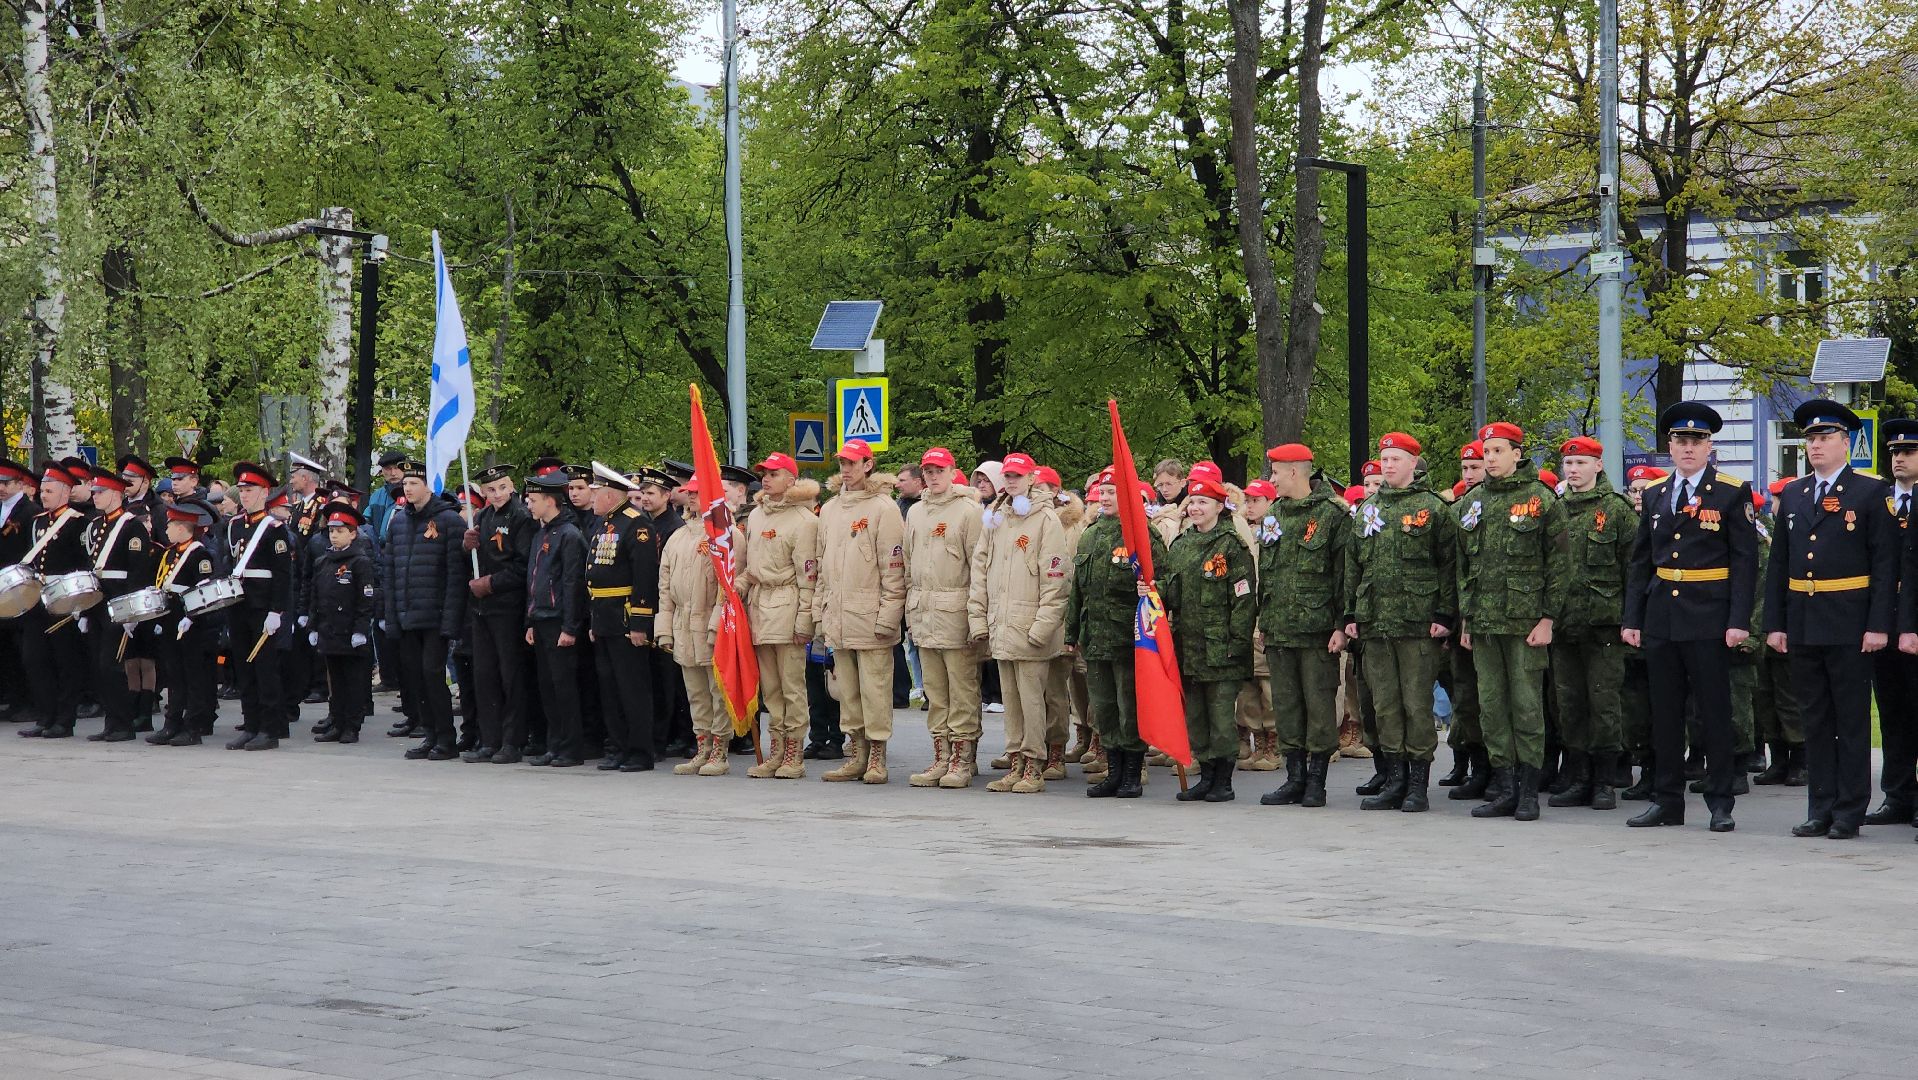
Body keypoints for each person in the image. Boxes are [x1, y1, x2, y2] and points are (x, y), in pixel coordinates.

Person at [1623, 402, 1758, 833]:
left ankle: (1720, 802)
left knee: (1713, 713)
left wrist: (1739, 620)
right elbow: (1641, 560)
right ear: (1669, 445)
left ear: (1709, 446)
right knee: (1664, 714)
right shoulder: (1658, 492)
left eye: (1696, 441)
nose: (1687, 448)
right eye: (1680, 440)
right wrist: (1633, 618)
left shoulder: (1730, 492)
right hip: (1663, 614)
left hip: (1709, 614)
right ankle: (1666, 801)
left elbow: (1745, 562)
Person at [1768, 400, 1898, 840]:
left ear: (1846, 442)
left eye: (1825, 438)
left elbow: (1885, 565)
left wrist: (1878, 624)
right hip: (1803, 620)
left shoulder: (1869, 491)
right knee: (1815, 718)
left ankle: (1849, 809)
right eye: (1810, 439)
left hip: (1849, 621)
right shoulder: (1794, 492)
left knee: (1851, 718)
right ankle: (1819, 806)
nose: (1816, 445)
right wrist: (1775, 623)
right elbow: (1779, 565)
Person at [1457, 423, 1568, 821]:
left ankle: (1527, 791)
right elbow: (1464, 565)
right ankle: (1503, 786)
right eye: (1486, 452)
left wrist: (1548, 618)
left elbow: (1559, 565)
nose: (1490, 458)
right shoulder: (1474, 501)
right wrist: (1467, 619)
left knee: (1525, 708)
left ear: (1517, 454)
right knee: (1491, 707)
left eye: (1498, 451)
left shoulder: (1540, 499)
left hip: (1524, 624)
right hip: (1485, 623)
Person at [1343, 434, 1459, 813]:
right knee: (1385, 705)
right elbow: (1353, 567)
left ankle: (1417, 785)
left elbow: (1449, 566)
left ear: (1413, 463)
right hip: (1376, 623)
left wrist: (1444, 616)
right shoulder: (1367, 510)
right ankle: (1394, 779)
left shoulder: (1434, 509)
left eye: (1396, 459)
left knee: (1415, 704)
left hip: (1418, 625)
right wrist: (1350, 615)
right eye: (1384, 459)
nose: (1388, 465)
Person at [1255, 444, 1350, 808]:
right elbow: (1269, 573)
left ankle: (1316, 780)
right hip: (1280, 630)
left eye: (1276, 472)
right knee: (1287, 705)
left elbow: (1344, 577)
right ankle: (1294, 777)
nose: (1272, 479)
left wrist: (1342, 625)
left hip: (1317, 631)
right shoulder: (1274, 515)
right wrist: (1265, 621)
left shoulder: (1333, 515)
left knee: (1318, 704)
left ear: (1295, 472)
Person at [969, 452, 1068, 794]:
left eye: (1017, 476)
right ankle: (1015, 761)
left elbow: (1056, 578)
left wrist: (1042, 627)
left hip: (1030, 627)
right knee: (1011, 700)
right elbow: (980, 570)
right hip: (1001, 624)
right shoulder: (996, 516)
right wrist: (979, 618)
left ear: (1031, 479)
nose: (1011, 481)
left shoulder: (1046, 520)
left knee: (1031, 700)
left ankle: (1034, 765)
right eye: (1007, 476)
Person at [1546, 436, 1636, 811]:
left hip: (1604, 624)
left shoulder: (1617, 510)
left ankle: (1604, 780)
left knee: (1603, 702)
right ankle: (1578, 776)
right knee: (1568, 703)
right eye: (1568, 464)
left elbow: (1634, 569)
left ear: (1598, 466)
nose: (1573, 470)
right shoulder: (1555, 509)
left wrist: (1632, 619)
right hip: (1564, 623)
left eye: (1581, 463)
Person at [813, 440, 907, 784]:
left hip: (870, 615)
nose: (846, 469)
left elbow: (894, 568)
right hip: (838, 615)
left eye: (853, 463)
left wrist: (888, 616)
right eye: (842, 463)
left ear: (868, 464)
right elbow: (822, 567)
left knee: (875, 688)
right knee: (847, 691)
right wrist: (819, 614)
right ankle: (856, 752)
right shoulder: (831, 509)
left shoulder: (884, 507)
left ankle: (878, 756)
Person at [1161, 474, 1256, 802]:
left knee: (1219, 716)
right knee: (1196, 716)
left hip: (1222, 648)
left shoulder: (1231, 545)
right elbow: (1171, 593)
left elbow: (1243, 598)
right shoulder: (1182, 544)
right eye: (1193, 502)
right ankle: (1206, 773)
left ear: (1219, 506)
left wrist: (1237, 644)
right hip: (1189, 646)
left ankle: (1223, 781)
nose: (1196, 508)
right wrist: (1152, 591)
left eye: (1204, 502)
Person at [1074, 473, 1166, 799]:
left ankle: (1131, 773)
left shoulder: (1142, 536)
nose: (1106, 498)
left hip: (1129, 638)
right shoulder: (1090, 536)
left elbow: (1165, 582)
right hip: (1096, 637)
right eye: (1103, 492)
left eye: (1113, 492)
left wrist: (1152, 588)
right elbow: (1077, 592)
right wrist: (1072, 633)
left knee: (1130, 709)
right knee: (1104, 708)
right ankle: (1113, 771)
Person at [739, 453, 821, 780]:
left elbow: (809, 577)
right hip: (760, 606)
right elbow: (752, 567)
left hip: (788, 605)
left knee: (792, 686)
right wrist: (738, 586)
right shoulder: (757, 516)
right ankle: (776, 750)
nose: (766, 479)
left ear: (791, 478)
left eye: (773, 473)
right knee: (770, 687)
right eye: (764, 474)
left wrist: (804, 623)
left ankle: (794, 753)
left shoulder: (804, 521)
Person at [382, 459, 470, 761]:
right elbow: (390, 572)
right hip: (407, 615)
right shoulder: (400, 522)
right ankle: (429, 733)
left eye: (413, 483)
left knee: (433, 674)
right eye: (405, 483)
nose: (407, 488)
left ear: (429, 486)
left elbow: (456, 576)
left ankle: (446, 737)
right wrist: (391, 616)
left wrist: (451, 620)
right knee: (416, 677)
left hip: (435, 614)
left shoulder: (449, 522)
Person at [659, 477, 747, 776]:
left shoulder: (727, 535)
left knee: (717, 689)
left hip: (712, 622)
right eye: (689, 493)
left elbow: (731, 586)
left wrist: (716, 625)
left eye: (697, 492)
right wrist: (664, 627)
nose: (691, 497)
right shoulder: (678, 537)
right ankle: (703, 747)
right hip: (683, 623)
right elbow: (665, 587)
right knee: (695, 691)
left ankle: (720, 751)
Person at [584, 463, 663, 772]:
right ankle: (618, 747)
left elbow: (645, 578)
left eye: (595, 493)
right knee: (610, 687)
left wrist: (640, 623)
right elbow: (595, 577)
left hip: (626, 618)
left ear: (609, 494)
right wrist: (594, 620)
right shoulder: (604, 524)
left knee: (632, 688)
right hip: (604, 617)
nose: (591, 499)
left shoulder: (636, 525)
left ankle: (640, 751)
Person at [461, 463, 536, 763]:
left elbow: (523, 567)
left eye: (502, 487)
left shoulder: (522, 517)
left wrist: (490, 583)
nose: (498, 494)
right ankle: (489, 739)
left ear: (512, 486)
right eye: (491, 490)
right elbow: (476, 561)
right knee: (485, 674)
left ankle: (512, 741)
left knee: (511, 675)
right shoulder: (483, 516)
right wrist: (467, 549)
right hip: (482, 609)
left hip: (508, 606)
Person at [218, 463, 295, 750]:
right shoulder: (235, 525)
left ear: (264, 492)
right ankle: (250, 724)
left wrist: (277, 611)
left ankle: (270, 729)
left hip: (263, 607)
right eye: (242, 490)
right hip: (239, 604)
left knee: (265, 669)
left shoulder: (274, 528)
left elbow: (283, 574)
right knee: (244, 667)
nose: (245, 496)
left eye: (250, 490)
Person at [81, 464, 157, 742]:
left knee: (111, 664)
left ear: (115, 494)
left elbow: (138, 571)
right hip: (98, 601)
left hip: (119, 603)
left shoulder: (131, 526)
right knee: (99, 666)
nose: (95, 496)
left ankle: (123, 723)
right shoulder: (98, 525)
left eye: (99, 492)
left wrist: (132, 612)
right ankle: (112, 722)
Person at [1868, 418, 1918, 826]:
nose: (1899, 459)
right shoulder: (1878, 501)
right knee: (1893, 713)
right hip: (1884, 626)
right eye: (1895, 452)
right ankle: (1898, 796)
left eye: (1908, 452)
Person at [523, 471, 587, 767]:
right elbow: (534, 580)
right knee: (547, 687)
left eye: (533, 499)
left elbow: (572, 584)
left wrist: (570, 627)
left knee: (564, 688)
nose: (528, 504)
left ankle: (572, 748)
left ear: (550, 501)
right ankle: (555, 743)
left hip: (561, 621)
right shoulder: (542, 532)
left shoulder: (570, 535)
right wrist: (531, 621)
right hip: (543, 619)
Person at [147, 502, 219, 745]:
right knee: (174, 675)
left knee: (193, 676)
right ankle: (172, 723)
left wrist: (191, 617)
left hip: (191, 624)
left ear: (182, 528)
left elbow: (203, 590)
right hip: (170, 622)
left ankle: (194, 727)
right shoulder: (169, 552)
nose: (166, 530)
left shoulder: (200, 554)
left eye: (170, 525)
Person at [307, 501, 377, 743]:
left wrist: (360, 630)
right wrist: (313, 625)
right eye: (331, 531)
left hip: (350, 632)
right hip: (329, 630)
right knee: (335, 681)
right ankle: (336, 722)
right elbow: (316, 595)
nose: (334, 536)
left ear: (353, 533)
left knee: (353, 681)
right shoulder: (323, 562)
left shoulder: (360, 562)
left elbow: (365, 599)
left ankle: (351, 725)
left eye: (340, 531)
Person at [0, 459, 39, 723]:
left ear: (20, 485)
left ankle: (28, 701)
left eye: (6, 483)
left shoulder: (29, 512)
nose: (1, 488)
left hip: (19, 585)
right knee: (5, 648)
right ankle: (13, 698)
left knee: (22, 646)